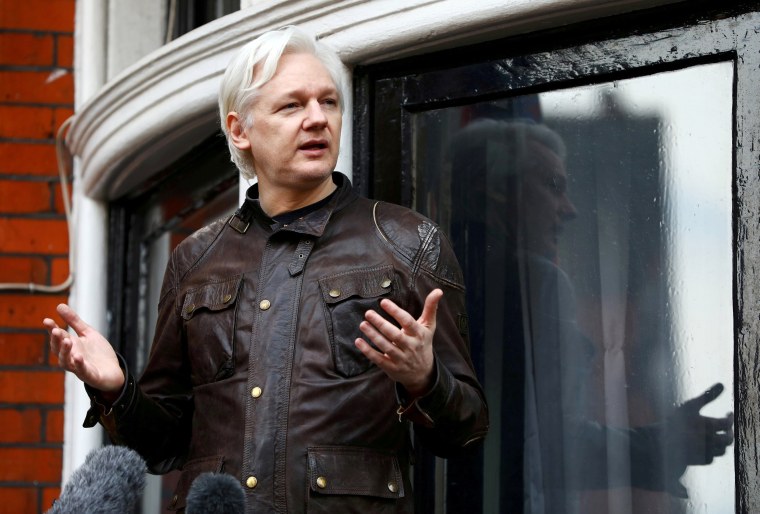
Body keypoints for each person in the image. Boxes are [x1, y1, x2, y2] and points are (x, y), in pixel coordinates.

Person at [43, 26, 489, 513]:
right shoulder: (195, 258)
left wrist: (425, 378)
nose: (317, 119)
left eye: (329, 102)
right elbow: (164, 444)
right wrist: (116, 389)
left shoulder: (407, 242)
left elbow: (467, 432)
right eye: (292, 105)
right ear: (240, 129)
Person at [449, 118, 734, 513]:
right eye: (552, 186)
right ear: (495, 192)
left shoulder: (446, 278)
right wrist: (660, 446)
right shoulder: (534, 283)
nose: (570, 210)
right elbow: (550, 441)